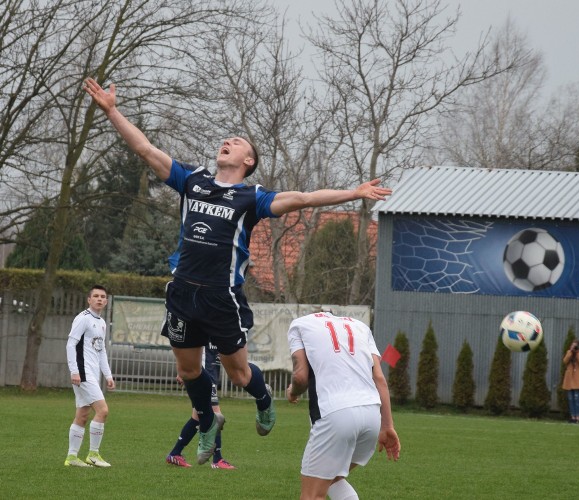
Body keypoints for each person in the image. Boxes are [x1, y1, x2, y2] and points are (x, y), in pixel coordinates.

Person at [82, 78, 392, 466]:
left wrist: (355, 192)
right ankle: (208, 421)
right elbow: (145, 150)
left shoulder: (251, 197)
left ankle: (263, 400)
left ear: (247, 161)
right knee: (188, 369)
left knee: (240, 372)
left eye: (237, 141)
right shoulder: (191, 180)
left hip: (220, 295)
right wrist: (112, 111)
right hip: (182, 291)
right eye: (226, 139)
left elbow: (304, 198)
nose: (227, 141)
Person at [286, 311, 401, 499]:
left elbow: (300, 377)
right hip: (372, 415)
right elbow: (379, 378)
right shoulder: (360, 326)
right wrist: (387, 426)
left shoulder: (300, 324)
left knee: (312, 495)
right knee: (333, 479)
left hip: (336, 413)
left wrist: (292, 392)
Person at [64, 284, 115, 467]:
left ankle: (71, 457)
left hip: (92, 373)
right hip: (83, 373)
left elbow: (101, 352)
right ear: (89, 299)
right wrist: (74, 371)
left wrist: (108, 375)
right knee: (103, 411)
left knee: (83, 415)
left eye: (103, 296)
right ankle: (93, 454)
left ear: (106, 301)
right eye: (96, 296)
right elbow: (71, 345)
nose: (99, 299)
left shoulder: (101, 322)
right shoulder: (82, 319)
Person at [166, 343, 236, 469]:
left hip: (209, 373)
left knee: (197, 416)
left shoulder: (219, 327)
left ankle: (175, 453)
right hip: (202, 375)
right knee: (215, 415)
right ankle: (217, 459)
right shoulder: (206, 325)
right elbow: (186, 345)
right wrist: (183, 369)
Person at [562, 339, 579, 423]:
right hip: (569, 378)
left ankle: (578, 417)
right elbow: (565, 361)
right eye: (573, 345)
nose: (574, 347)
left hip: (577, 378)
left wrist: (577, 353)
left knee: (577, 398)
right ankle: (572, 417)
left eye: (576, 346)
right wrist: (571, 352)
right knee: (570, 398)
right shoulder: (569, 352)